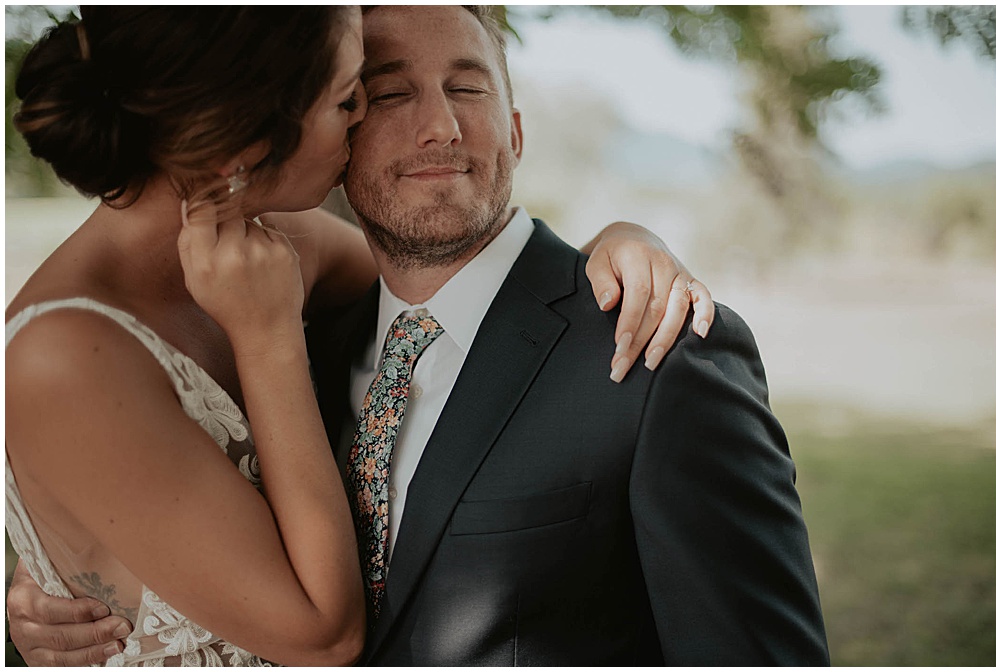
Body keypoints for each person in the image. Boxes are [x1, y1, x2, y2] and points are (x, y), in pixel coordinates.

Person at [5, 6, 715, 666]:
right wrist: (268, 339)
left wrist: (617, 248)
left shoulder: (277, 244)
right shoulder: (64, 356)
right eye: (355, 100)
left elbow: (465, 296)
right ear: (247, 137)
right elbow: (323, 635)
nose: (363, 129)